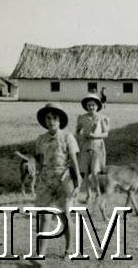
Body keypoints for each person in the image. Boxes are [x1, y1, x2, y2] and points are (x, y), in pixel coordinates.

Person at [33, 102, 82, 258]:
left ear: (60, 120)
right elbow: (39, 161)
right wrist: (38, 176)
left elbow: (74, 160)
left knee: (64, 215)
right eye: (48, 118)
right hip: (46, 180)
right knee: (45, 216)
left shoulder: (67, 137)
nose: (51, 121)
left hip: (63, 179)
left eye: (54, 118)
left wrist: (77, 179)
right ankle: (41, 253)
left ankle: (68, 250)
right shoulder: (41, 139)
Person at [76, 93, 110, 202]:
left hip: (97, 145)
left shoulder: (101, 118)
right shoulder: (82, 118)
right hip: (86, 145)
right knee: (85, 172)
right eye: (89, 105)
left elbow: (106, 133)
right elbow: (77, 131)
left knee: (95, 172)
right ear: (86, 106)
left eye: (93, 105)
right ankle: (88, 194)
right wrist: (82, 136)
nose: (91, 107)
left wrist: (96, 135)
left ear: (97, 106)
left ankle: (98, 193)